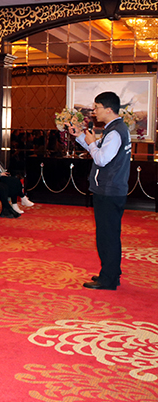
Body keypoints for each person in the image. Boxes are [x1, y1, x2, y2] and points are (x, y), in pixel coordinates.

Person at [69, 91, 131, 291]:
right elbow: (98, 150)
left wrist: (91, 143)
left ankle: (108, 279)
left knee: (107, 236)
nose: (94, 111)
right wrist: (81, 137)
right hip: (111, 189)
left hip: (108, 190)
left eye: (97, 107)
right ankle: (111, 273)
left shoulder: (115, 132)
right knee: (109, 234)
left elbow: (101, 159)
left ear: (109, 109)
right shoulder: (116, 129)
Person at [0, 139, 33, 214]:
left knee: (15, 181)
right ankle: (22, 198)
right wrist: (0, 174)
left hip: (1, 174)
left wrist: (4, 172)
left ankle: (16, 204)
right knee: (14, 182)